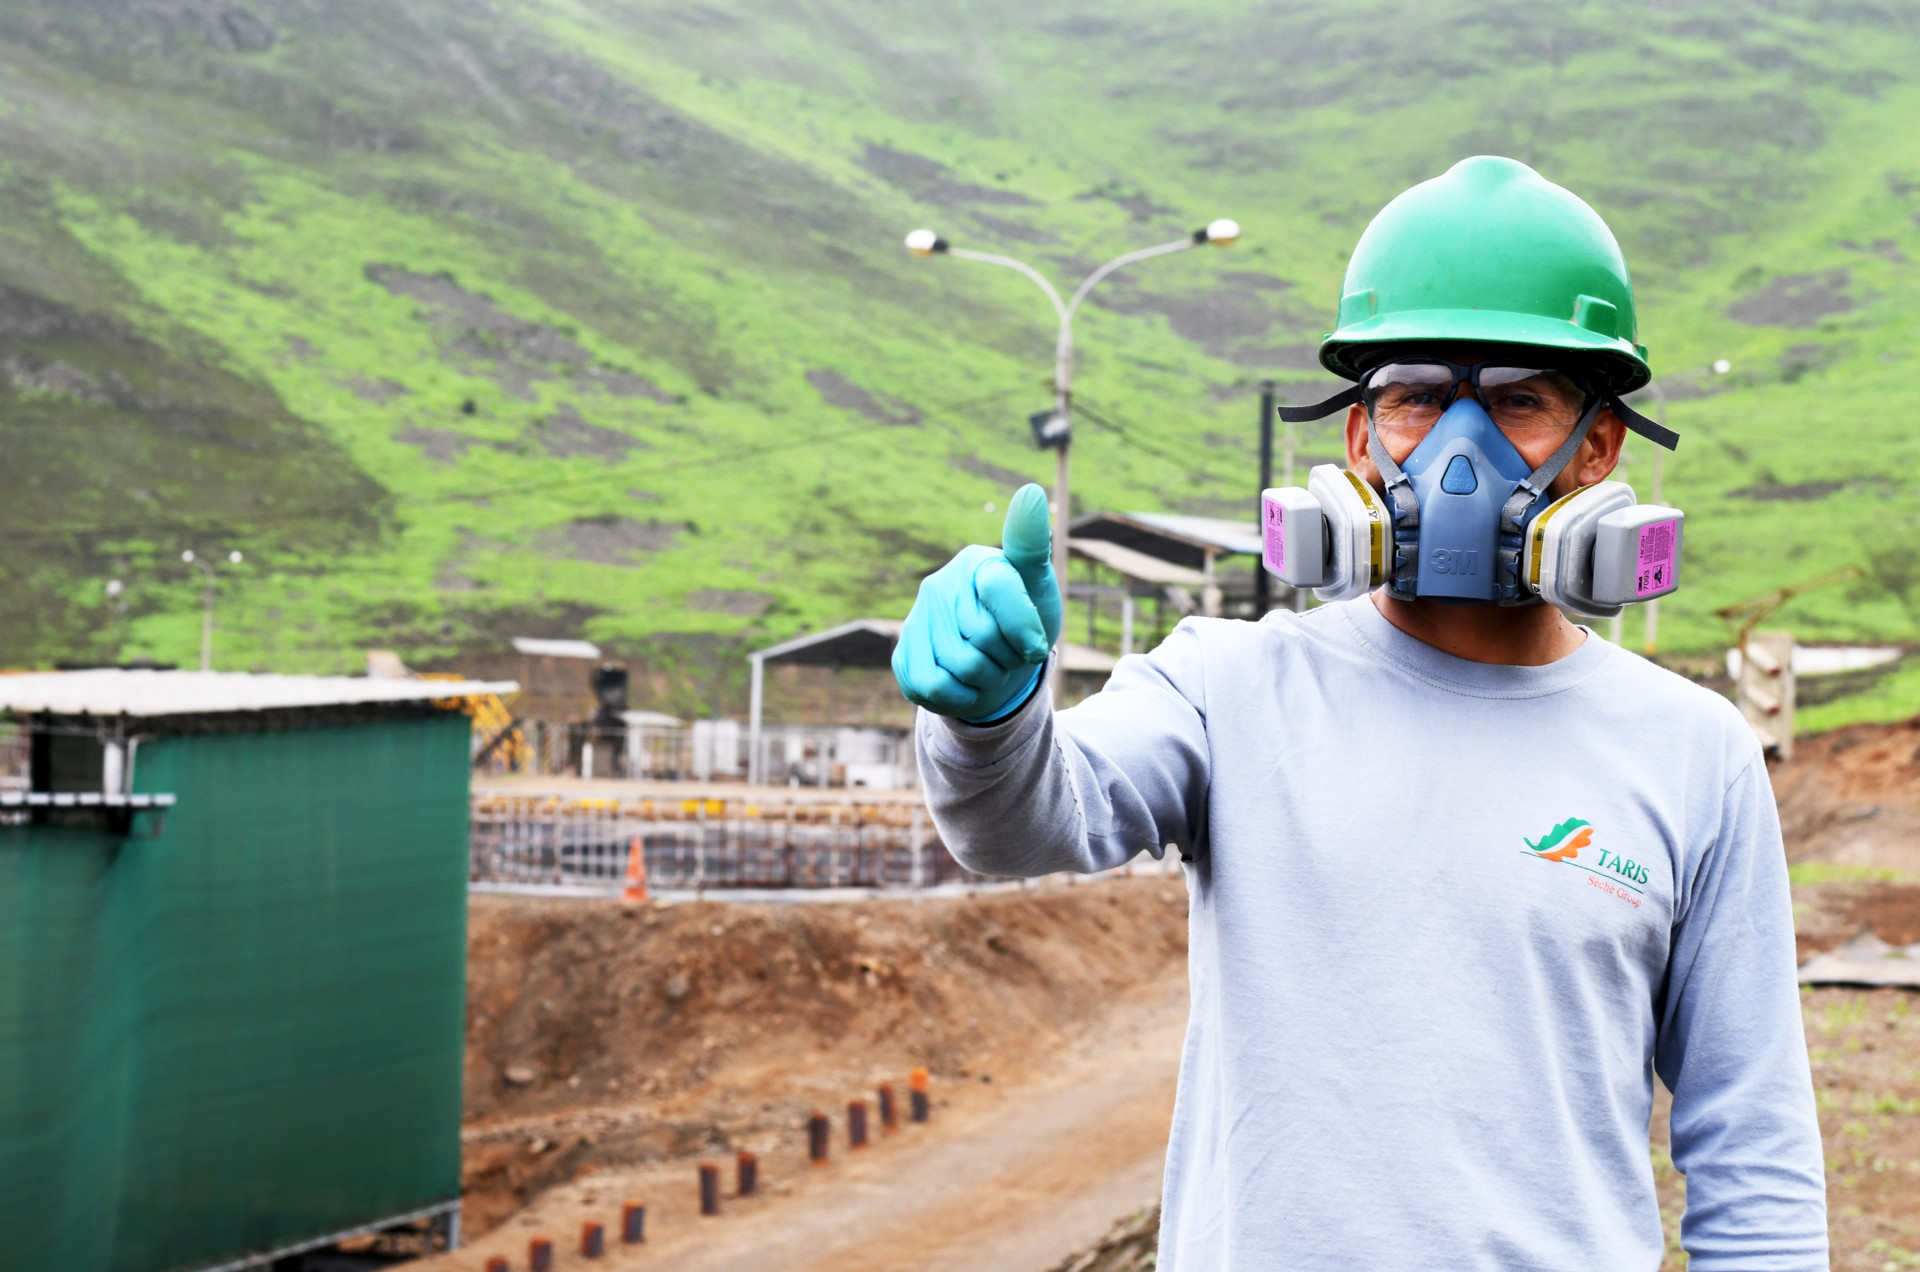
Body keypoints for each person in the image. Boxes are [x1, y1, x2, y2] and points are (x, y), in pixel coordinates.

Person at [892, 156, 1827, 1270]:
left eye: (1519, 400)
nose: (1456, 452)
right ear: (1358, 439)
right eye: (1418, 397)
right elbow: (1024, 825)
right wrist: (990, 722)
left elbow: (1752, 1150)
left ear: (1599, 447)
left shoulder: (1694, 753)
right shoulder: (1227, 687)